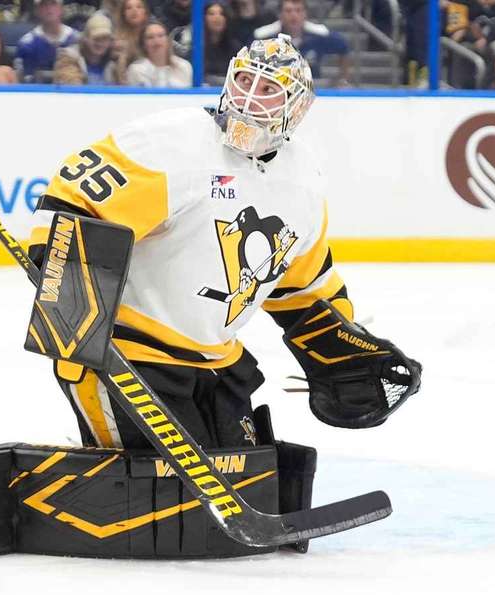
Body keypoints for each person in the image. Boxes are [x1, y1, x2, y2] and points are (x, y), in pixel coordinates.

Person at [29, 35, 420, 458]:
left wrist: (342, 343)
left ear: (298, 106)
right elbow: (75, 197)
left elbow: (303, 286)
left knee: (245, 487)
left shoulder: (303, 178)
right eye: (243, 80)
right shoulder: (173, 142)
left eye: (268, 89)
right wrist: (59, 270)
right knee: (154, 497)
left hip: (218, 363)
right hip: (128, 356)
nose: (249, 98)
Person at [254, 0, 350, 85]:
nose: (294, 15)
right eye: (288, 11)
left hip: (312, 90)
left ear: (305, 14)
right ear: (280, 14)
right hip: (275, 88)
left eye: (298, 10)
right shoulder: (265, 37)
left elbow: (343, 47)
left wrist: (342, 79)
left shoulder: (318, 36)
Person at [14, 0, 78, 82]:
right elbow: (20, 80)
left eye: (53, 3)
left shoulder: (76, 39)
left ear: (61, 9)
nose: (49, 8)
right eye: (44, 5)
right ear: (36, 10)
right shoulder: (26, 44)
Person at [126, 19, 192, 86]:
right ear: (143, 44)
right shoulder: (136, 70)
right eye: (150, 37)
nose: (157, 41)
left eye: (160, 36)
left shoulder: (184, 66)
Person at [53, 12, 114, 84]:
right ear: (85, 38)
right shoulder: (68, 57)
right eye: (96, 38)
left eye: (105, 38)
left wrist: (121, 62)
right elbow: (72, 89)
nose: (100, 43)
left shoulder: (115, 61)